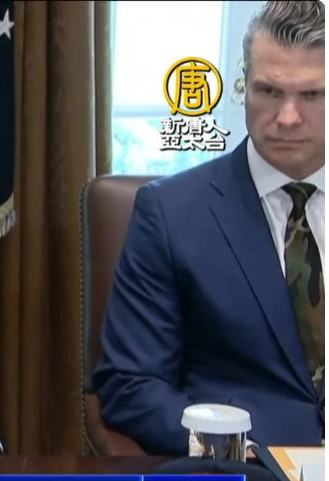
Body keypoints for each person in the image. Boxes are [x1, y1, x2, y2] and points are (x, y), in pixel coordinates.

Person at [93, 1, 324, 455]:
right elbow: (130, 384)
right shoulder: (171, 214)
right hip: (246, 477)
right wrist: (226, 447)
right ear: (243, 87)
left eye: (313, 95)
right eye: (269, 91)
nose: (288, 117)